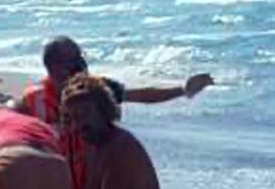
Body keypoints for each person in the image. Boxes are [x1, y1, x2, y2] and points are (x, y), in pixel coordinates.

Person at [18, 36, 213, 129]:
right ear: (54, 67)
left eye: (81, 57)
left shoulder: (95, 88)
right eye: (74, 59)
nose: (82, 64)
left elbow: (142, 95)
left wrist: (183, 90)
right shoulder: (33, 100)